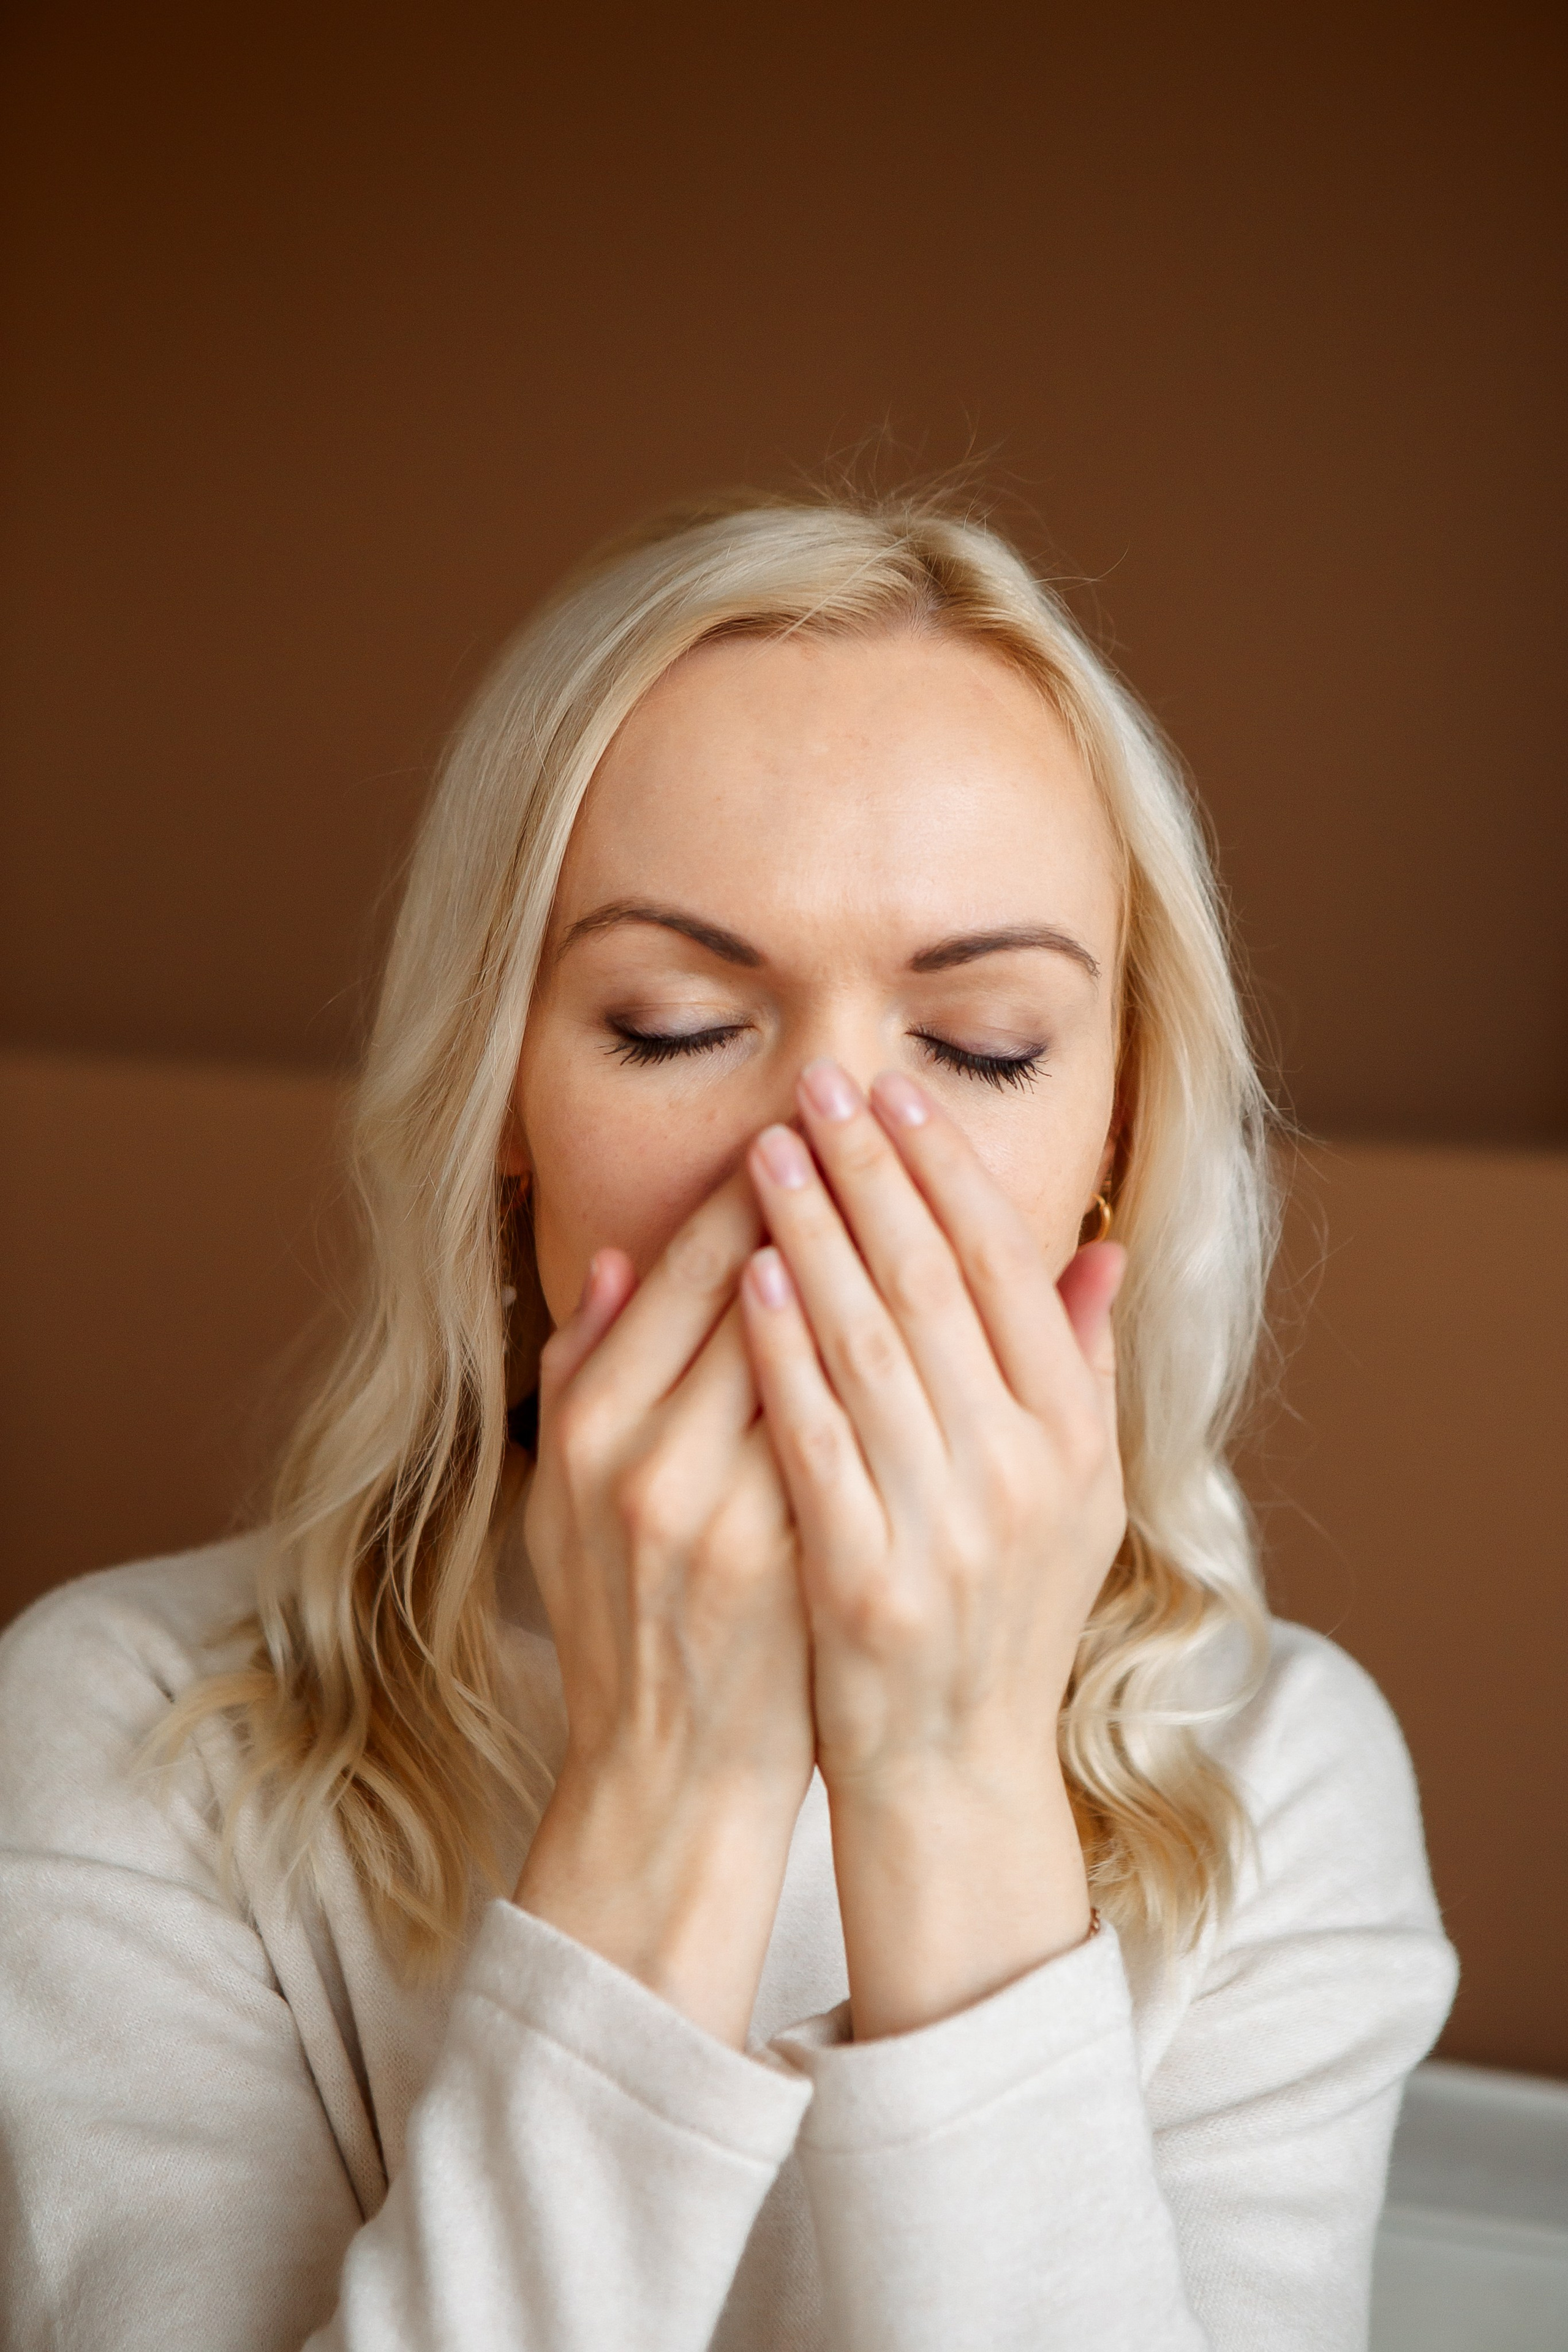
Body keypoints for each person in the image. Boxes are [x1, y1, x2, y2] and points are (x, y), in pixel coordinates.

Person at [0, 492, 1455, 2350]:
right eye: (678, 1024)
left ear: (1118, 1131)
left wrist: (946, 1776)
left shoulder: (1277, 1778)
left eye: (985, 1043)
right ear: (501, 1099)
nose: (821, 1162)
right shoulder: (128, 1738)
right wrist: (664, 1801)